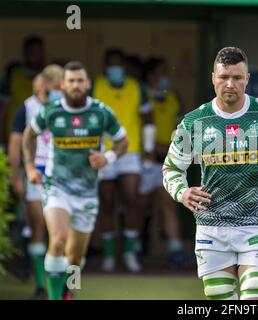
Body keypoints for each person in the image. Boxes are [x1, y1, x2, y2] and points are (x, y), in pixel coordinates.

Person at [162, 47, 258, 300]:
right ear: (213, 78)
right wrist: (181, 192)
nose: (230, 84)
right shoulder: (194, 122)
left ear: (247, 79)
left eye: (237, 77)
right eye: (224, 77)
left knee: (256, 300)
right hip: (212, 228)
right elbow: (171, 168)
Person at [22, 61, 128, 300]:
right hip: (56, 186)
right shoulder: (52, 111)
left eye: (80, 81)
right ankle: (53, 296)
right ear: (63, 84)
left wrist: (107, 156)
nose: (76, 85)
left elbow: (123, 141)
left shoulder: (101, 112)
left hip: (88, 192)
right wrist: (29, 167)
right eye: (71, 81)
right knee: (57, 240)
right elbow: (29, 135)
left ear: (87, 84)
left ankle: (66, 292)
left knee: (74, 258)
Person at [8, 65, 64, 299]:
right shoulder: (27, 108)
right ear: (45, 84)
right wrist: (15, 175)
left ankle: (64, 286)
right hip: (36, 175)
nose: (63, 89)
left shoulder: (66, 108)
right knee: (38, 227)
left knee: (61, 233)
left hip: (62, 175)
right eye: (59, 85)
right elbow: (15, 143)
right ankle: (41, 285)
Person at [93, 48, 147, 273]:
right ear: (105, 67)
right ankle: (108, 255)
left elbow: (148, 117)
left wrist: (149, 149)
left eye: (119, 64)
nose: (115, 69)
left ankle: (129, 252)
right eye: (111, 64)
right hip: (104, 152)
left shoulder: (137, 87)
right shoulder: (96, 85)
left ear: (124, 67)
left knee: (132, 200)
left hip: (131, 151)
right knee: (106, 203)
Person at [139, 57, 190, 267]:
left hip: (167, 158)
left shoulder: (173, 97)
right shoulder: (141, 96)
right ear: (151, 75)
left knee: (168, 204)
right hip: (144, 160)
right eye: (162, 72)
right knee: (140, 207)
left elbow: (181, 127)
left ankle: (175, 251)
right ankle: (135, 248)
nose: (165, 77)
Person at [0, 36, 46, 147]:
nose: (36, 56)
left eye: (39, 52)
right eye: (33, 52)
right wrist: (2, 139)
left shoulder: (47, 76)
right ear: (25, 53)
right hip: (16, 134)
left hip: (42, 138)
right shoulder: (13, 75)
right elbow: (2, 111)